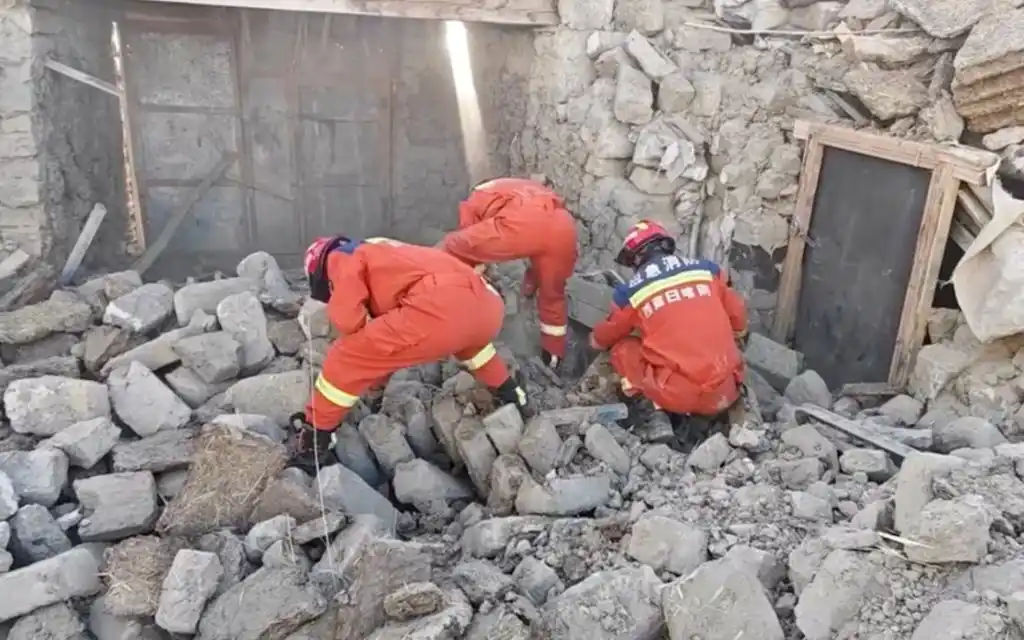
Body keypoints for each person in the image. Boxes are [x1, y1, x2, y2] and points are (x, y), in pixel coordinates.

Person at [289, 235, 528, 470]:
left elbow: (349, 321)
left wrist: (356, 332)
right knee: (474, 348)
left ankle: (313, 439)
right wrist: (374, 386)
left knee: (346, 355)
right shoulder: (388, 254)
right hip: (486, 304)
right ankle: (511, 393)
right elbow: (388, 345)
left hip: (441, 304)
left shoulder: (340, 256)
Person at [588, 220, 748, 441]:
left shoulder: (632, 292)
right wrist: (737, 336)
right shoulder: (708, 271)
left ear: (636, 258)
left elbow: (606, 335)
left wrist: (595, 340)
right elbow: (738, 314)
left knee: (623, 349)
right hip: (726, 389)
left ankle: (653, 414)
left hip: (679, 395)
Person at [439, 177, 578, 371]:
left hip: (524, 224)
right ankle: (553, 356)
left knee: (453, 245)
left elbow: (469, 242)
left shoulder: (476, 197)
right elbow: (540, 239)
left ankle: (444, 308)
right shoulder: (522, 187)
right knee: (552, 293)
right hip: (563, 225)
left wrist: (478, 267)